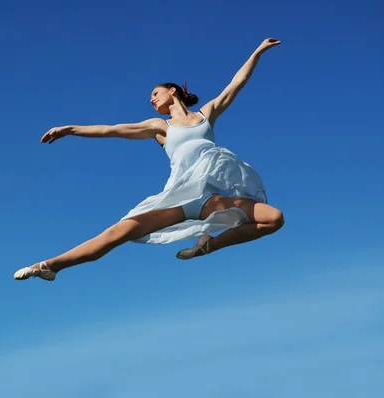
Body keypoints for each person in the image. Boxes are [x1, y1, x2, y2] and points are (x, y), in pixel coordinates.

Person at [14, 38, 285, 282]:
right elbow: (112, 129)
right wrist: (70, 129)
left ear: (173, 91)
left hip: (211, 201)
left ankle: (209, 245)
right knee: (117, 234)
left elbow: (235, 84)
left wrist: (258, 51)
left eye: (155, 94)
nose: (152, 100)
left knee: (274, 219)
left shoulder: (205, 115)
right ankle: (49, 266)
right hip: (177, 199)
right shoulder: (160, 126)